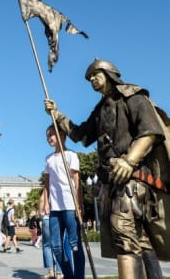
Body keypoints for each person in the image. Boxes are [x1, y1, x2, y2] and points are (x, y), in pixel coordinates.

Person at [45, 59, 169, 279]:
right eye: (89, 77)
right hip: (111, 183)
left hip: (132, 181)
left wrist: (129, 160)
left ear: (110, 73)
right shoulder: (101, 109)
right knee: (138, 239)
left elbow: (151, 132)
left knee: (123, 232)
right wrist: (58, 115)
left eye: (96, 74)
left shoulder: (134, 97)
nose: (92, 79)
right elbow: (82, 135)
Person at [42, 124, 85, 279]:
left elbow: (77, 181)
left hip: (70, 205)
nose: (49, 138)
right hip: (55, 208)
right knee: (56, 246)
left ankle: (79, 276)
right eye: (47, 136)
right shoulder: (49, 159)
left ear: (62, 135)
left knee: (75, 245)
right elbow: (46, 183)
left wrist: (79, 204)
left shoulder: (71, 155)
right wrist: (46, 202)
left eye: (51, 134)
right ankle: (68, 275)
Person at [39, 188, 67, 279]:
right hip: (59, 218)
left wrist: (41, 213)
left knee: (47, 245)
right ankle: (59, 272)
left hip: (47, 217)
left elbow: (42, 199)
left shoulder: (47, 188)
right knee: (59, 245)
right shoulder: (61, 186)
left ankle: (50, 271)